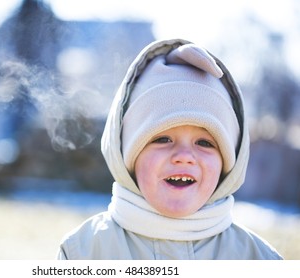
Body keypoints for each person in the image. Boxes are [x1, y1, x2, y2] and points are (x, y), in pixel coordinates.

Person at [57, 38, 283, 260]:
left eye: (204, 143)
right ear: (127, 154)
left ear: (229, 161)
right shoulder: (83, 253)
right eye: (162, 139)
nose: (184, 157)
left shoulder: (258, 260)